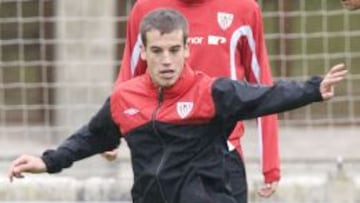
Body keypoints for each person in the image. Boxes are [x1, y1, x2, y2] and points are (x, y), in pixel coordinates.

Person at [8, 9, 347, 203]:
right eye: (157, 51)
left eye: (174, 50)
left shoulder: (211, 93)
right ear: (144, 52)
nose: (166, 60)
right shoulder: (126, 99)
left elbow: (266, 95)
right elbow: (92, 137)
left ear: (187, 50)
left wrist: (313, 88)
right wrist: (47, 161)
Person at [104, 0, 281, 200]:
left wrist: (270, 164)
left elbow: (263, 89)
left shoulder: (244, 9)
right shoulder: (146, 9)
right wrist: (109, 131)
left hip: (223, 153)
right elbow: (128, 79)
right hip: (162, 156)